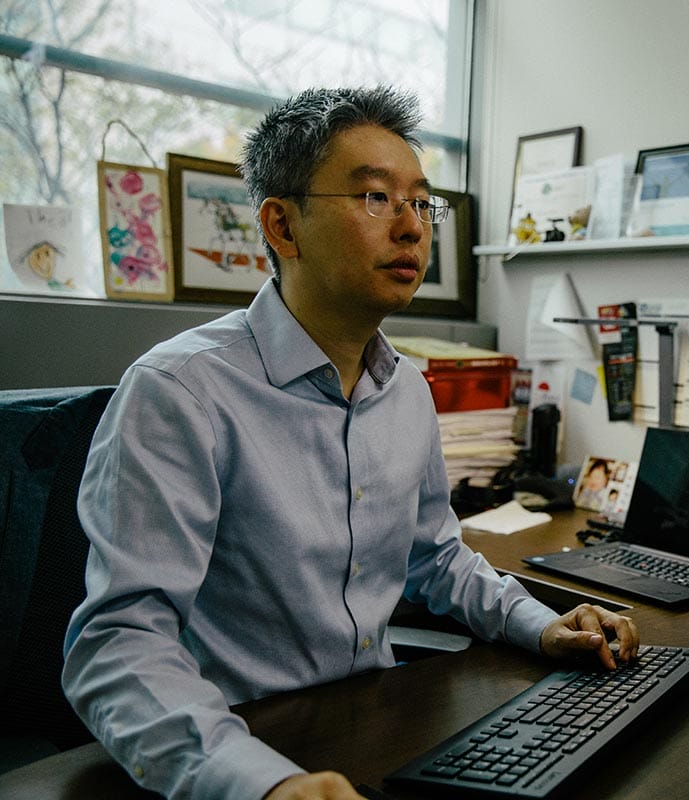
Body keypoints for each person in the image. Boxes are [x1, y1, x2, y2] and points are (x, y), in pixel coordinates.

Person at [61, 86, 638, 800]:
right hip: (235, 746)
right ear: (282, 226)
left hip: (372, 729)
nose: (412, 229)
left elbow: (437, 556)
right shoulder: (179, 393)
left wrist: (542, 627)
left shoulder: (408, 391)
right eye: (374, 198)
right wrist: (258, 785)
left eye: (421, 203)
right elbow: (117, 646)